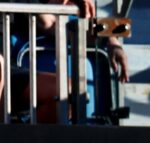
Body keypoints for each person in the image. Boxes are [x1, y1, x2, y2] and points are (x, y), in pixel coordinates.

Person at [1, 0, 129, 123]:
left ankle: (24, 136)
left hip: (9, 74)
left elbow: (54, 23)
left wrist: (111, 39)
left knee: (69, 93)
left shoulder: (31, 6)